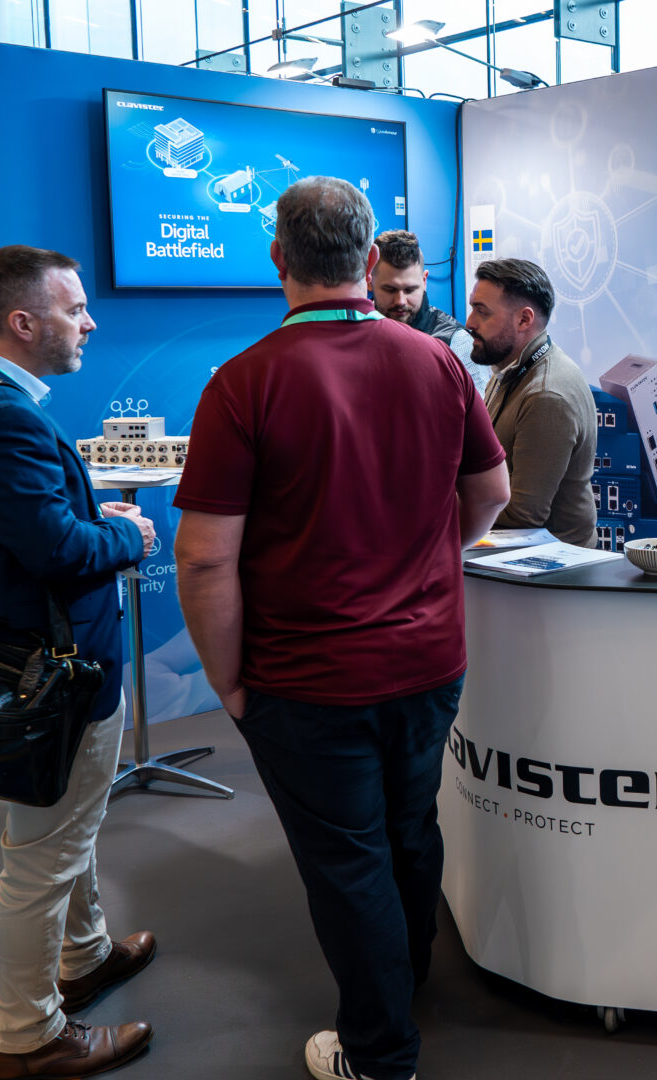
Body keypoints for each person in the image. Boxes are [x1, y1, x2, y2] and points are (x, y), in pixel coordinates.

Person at [174, 176, 510, 1080]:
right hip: (430, 661)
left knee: (346, 860)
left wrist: (228, 681)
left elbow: (205, 560)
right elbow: (491, 495)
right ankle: (406, 987)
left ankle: (377, 1051)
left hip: (306, 677)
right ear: (369, 262)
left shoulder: (242, 384)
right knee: (409, 828)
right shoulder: (438, 363)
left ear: (278, 258)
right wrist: (430, 556)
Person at [0, 244, 158, 1080]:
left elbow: (9, 530)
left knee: (63, 832)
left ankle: (84, 958)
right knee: (43, 856)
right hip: (50, 675)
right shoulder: (4, 415)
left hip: (15, 662)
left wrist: (84, 500)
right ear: (23, 322)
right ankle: (30, 1037)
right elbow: (56, 549)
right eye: (74, 308)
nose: (89, 321)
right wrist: (127, 532)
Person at [464, 257, 598, 546]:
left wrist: (435, 503)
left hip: (551, 581)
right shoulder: (512, 370)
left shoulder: (546, 396)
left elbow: (523, 514)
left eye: (481, 311)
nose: (470, 322)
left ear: (524, 319)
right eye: (472, 307)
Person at [368, 229, 487, 396]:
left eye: (410, 290)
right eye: (390, 289)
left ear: (424, 281)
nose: (400, 301)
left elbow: (480, 415)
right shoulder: (354, 331)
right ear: (369, 281)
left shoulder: (456, 342)